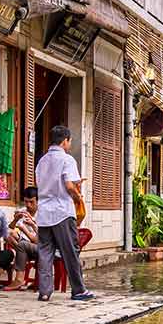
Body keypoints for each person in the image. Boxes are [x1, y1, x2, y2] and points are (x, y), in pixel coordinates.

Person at [35, 125, 94, 301]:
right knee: (70, 252)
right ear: (65, 140)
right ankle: (79, 290)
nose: (70, 144)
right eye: (70, 141)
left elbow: (40, 184)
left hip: (44, 213)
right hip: (62, 211)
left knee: (45, 253)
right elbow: (69, 185)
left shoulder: (42, 161)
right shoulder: (67, 160)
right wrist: (77, 196)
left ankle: (45, 292)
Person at [6, 187, 39, 290]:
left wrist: (26, 227)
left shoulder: (42, 214)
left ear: (38, 201)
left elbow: (37, 241)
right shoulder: (23, 211)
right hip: (25, 243)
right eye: (26, 202)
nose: (28, 205)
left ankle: (19, 279)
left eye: (31, 202)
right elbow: (11, 227)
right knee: (8, 234)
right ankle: (23, 255)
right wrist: (15, 220)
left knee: (22, 245)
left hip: (39, 246)